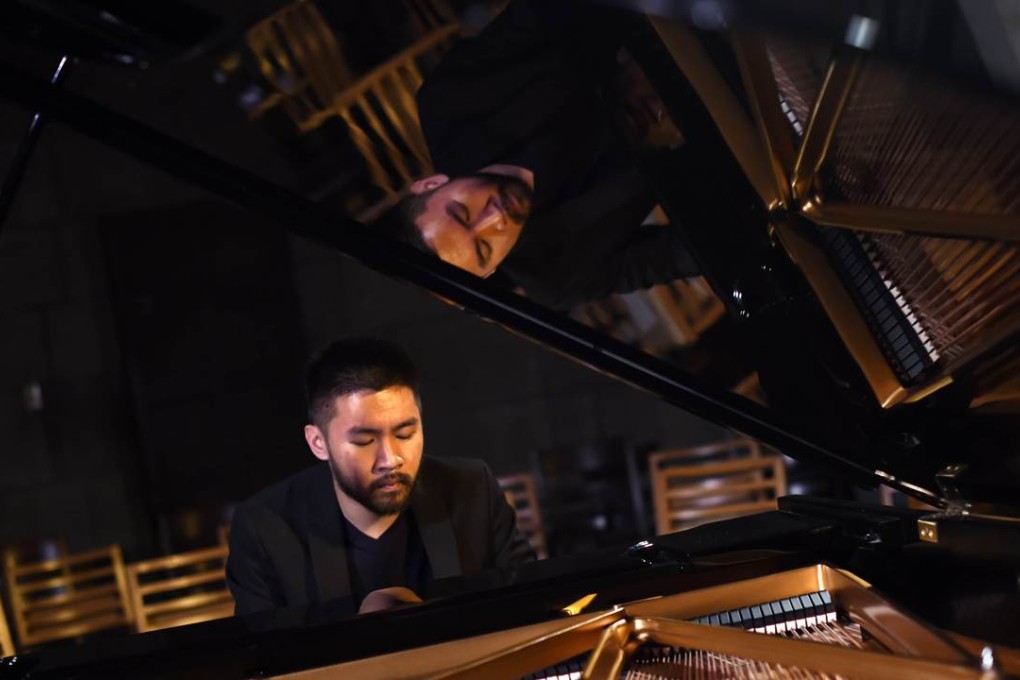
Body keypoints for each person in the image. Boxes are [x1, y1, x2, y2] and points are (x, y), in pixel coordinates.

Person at [372, 0, 697, 310]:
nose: (495, 218)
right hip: (710, 122)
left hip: (665, 26)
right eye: (485, 249)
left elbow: (553, 12)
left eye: (462, 213)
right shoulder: (557, 280)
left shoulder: (451, 101)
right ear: (488, 271)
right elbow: (690, 253)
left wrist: (638, 55)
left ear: (430, 184)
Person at [226, 337, 536, 616]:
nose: (391, 459)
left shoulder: (471, 488)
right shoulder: (264, 528)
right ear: (318, 443)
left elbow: (531, 604)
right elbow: (267, 661)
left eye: (405, 433)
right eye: (364, 441)